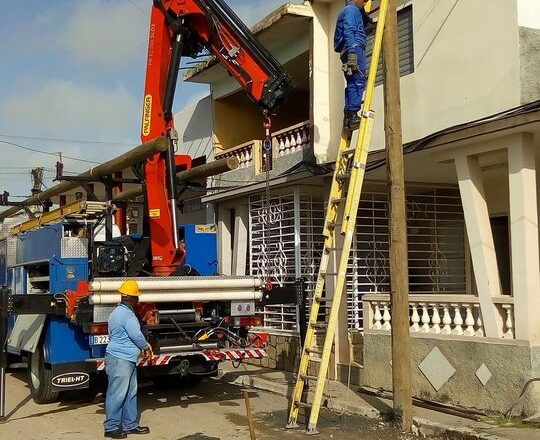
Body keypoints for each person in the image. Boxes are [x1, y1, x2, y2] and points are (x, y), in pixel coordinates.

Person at [103, 280, 153, 439]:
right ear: (131, 298)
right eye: (136, 297)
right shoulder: (127, 315)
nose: (138, 300)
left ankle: (130, 425)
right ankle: (111, 427)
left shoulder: (116, 312)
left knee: (130, 393)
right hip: (121, 360)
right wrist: (146, 346)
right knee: (117, 394)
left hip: (124, 359)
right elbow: (136, 335)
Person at [334, 0, 373, 131]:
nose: (366, 1)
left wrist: (365, 18)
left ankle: (348, 118)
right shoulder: (350, 11)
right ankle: (353, 116)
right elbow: (349, 31)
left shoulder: (353, 10)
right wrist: (352, 54)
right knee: (358, 81)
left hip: (350, 49)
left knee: (352, 81)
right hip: (354, 48)